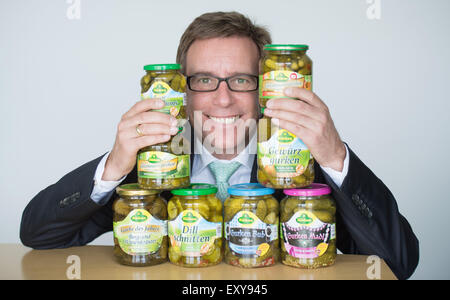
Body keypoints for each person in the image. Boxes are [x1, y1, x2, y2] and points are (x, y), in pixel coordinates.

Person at [20, 11, 419, 279]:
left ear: (266, 88)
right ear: (183, 91)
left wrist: (334, 155)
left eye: (242, 80)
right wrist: (114, 165)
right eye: (204, 80)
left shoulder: (304, 168)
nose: (223, 99)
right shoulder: (153, 167)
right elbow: (38, 234)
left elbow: (399, 262)